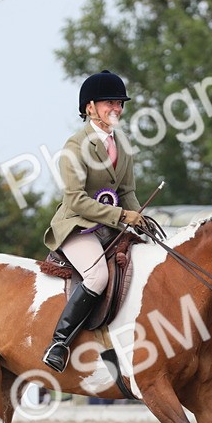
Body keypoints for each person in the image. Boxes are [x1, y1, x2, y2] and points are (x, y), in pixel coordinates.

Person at [42, 69, 144, 372]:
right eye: (108, 103)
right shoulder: (75, 146)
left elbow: (127, 192)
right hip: (76, 226)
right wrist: (121, 215)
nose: (116, 109)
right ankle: (59, 343)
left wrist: (140, 222)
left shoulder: (122, 144)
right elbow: (76, 199)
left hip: (112, 226)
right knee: (98, 276)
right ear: (90, 107)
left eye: (119, 103)